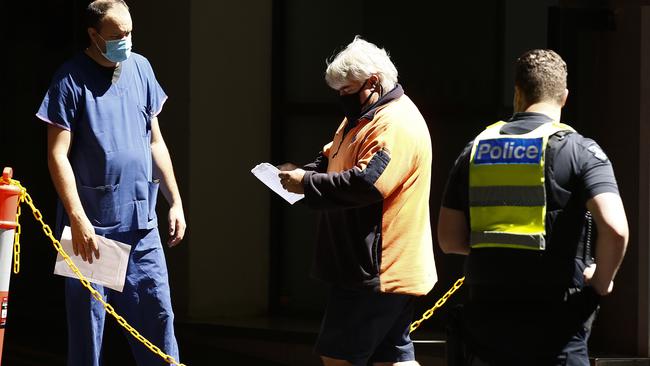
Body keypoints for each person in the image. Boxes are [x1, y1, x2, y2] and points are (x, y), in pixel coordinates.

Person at [438, 49, 628, 365]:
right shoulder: (581, 150)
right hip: (557, 324)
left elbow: (449, 240)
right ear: (564, 97)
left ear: (518, 93)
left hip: (488, 321)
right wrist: (602, 281)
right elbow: (615, 228)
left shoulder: (475, 149)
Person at [36, 1, 186, 365]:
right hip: (92, 227)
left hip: (140, 222)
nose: (127, 41)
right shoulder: (70, 79)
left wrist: (175, 201)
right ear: (93, 35)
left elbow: (155, 142)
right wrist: (77, 217)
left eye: (130, 33)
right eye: (117, 36)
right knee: (90, 331)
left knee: (158, 317)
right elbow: (57, 154)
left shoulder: (141, 69)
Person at [279, 36, 437, 366]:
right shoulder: (362, 117)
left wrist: (307, 184)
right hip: (371, 267)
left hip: (376, 269)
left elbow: (368, 183)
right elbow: (331, 158)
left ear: (373, 83)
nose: (341, 98)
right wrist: (303, 173)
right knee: (392, 356)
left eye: (347, 90)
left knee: (339, 357)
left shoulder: (394, 122)